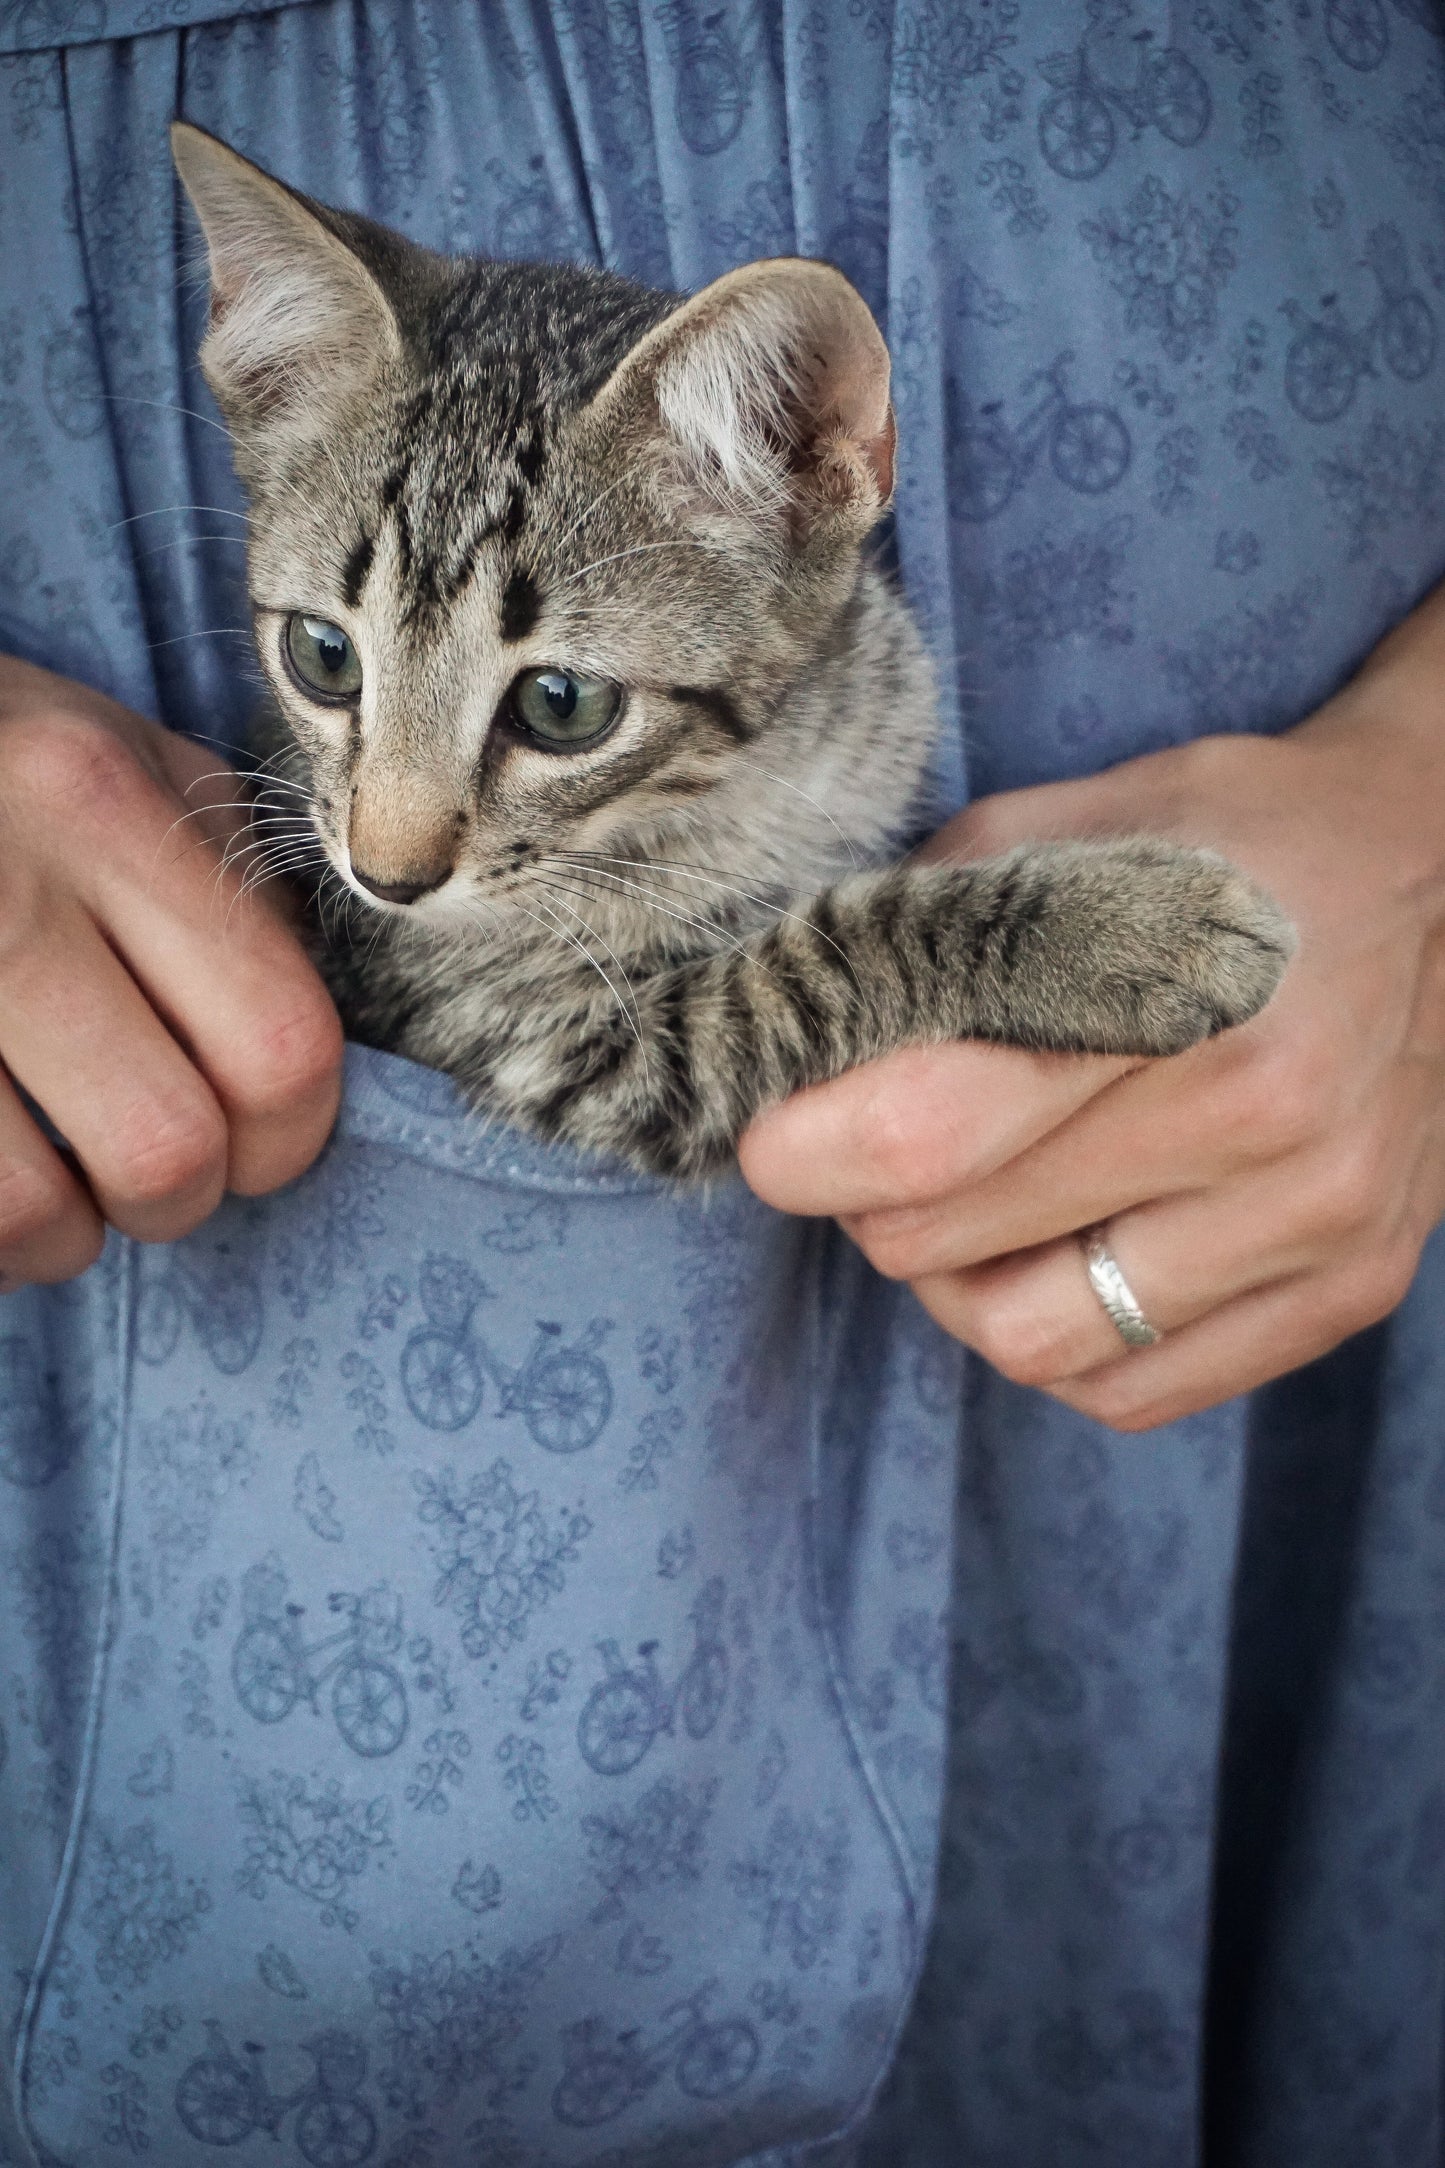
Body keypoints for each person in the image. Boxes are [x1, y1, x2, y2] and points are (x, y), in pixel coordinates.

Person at [2, 3, 1444, 2162]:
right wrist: (976, 954)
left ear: (812, 469)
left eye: (545, 701)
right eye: (328, 665)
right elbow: (584, 1034)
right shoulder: (396, 811)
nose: (387, 839)